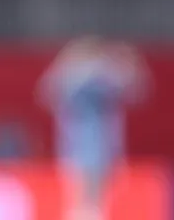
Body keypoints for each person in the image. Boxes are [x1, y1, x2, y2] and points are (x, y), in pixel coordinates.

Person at [38, 37, 150, 220]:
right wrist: (76, 66)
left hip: (104, 149)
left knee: (98, 200)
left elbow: (137, 91)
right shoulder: (74, 78)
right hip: (78, 150)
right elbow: (48, 93)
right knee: (81, 199)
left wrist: (126, 63)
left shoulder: (104, 79)